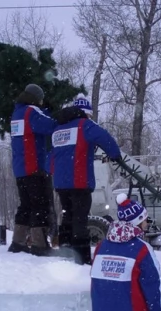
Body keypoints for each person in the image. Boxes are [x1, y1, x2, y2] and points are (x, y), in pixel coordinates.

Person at [51, 94, 121, 265]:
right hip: (79, 182)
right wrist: (115, 155)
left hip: (61, 184)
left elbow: (50, 157)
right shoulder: (85, 126)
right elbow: (105, 138)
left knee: (67, 216)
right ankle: (81, 257)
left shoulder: (58, 130)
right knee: (80, 219)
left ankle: (65, 252)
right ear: (85, 113)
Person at [9, 83, 57, 256]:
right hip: (34, 168)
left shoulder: (17, 113)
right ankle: (40, 244)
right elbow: (50, 126)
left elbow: (32, 128)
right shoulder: (31, 111)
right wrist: (52, 112)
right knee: (40, 206)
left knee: (26, 205)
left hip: (20, 169)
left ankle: (18, 242)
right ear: (37, 98)